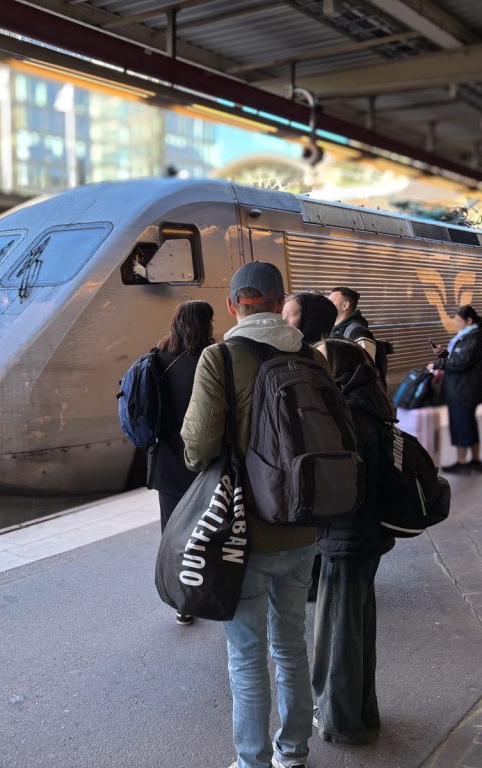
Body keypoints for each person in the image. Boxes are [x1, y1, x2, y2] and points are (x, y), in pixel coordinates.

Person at [183, 262, 320, 768]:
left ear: (233, 304)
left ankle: (252, 761)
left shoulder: (219, 357)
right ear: (282, 301)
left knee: (246, 657)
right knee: (291, 645)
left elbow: (197, 446)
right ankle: (295, 751)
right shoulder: (312, 356)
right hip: (305, 524)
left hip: (248, 531)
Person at [312, 337, 394, 745]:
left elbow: (346, 485)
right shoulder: (370, 403)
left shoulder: (347, 413)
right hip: (366, 536)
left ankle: (343, 723)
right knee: (359, 628)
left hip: (347, 535)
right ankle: (362, 714)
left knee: (340, 632)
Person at [148, 300, 214, 626]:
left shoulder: (157, 358)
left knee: (173, 535)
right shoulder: (213, 358)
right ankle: (213, 592)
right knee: (209, 531)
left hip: (167, 464)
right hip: (206, 463)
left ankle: (182, 604)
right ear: (206, 324)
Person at [283, 292, 339, 603]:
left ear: (308, 320)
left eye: (290, 314)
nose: (283, 320)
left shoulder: (321, 353)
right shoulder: (312, 351)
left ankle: (313, 583)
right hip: (315, 449)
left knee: (315, 517)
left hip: (318, 449)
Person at [430, 305, 482, 474]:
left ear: (469, 321)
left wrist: (437, 364)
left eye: (458, 321)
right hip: (465, 387)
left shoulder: (472, 338)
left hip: (463, 389)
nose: (455, 324)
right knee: (469, 423)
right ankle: (476, 461)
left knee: (461, 424)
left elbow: (459, 363)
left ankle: (462, 463)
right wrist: (443, 355)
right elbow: (459, 357)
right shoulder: (468, 336)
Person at [327, 286, 377, 363]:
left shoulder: (358, 332)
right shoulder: (334, 328)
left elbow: (367, 367)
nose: (327, 304)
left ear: (345, 305)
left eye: (331, 302)